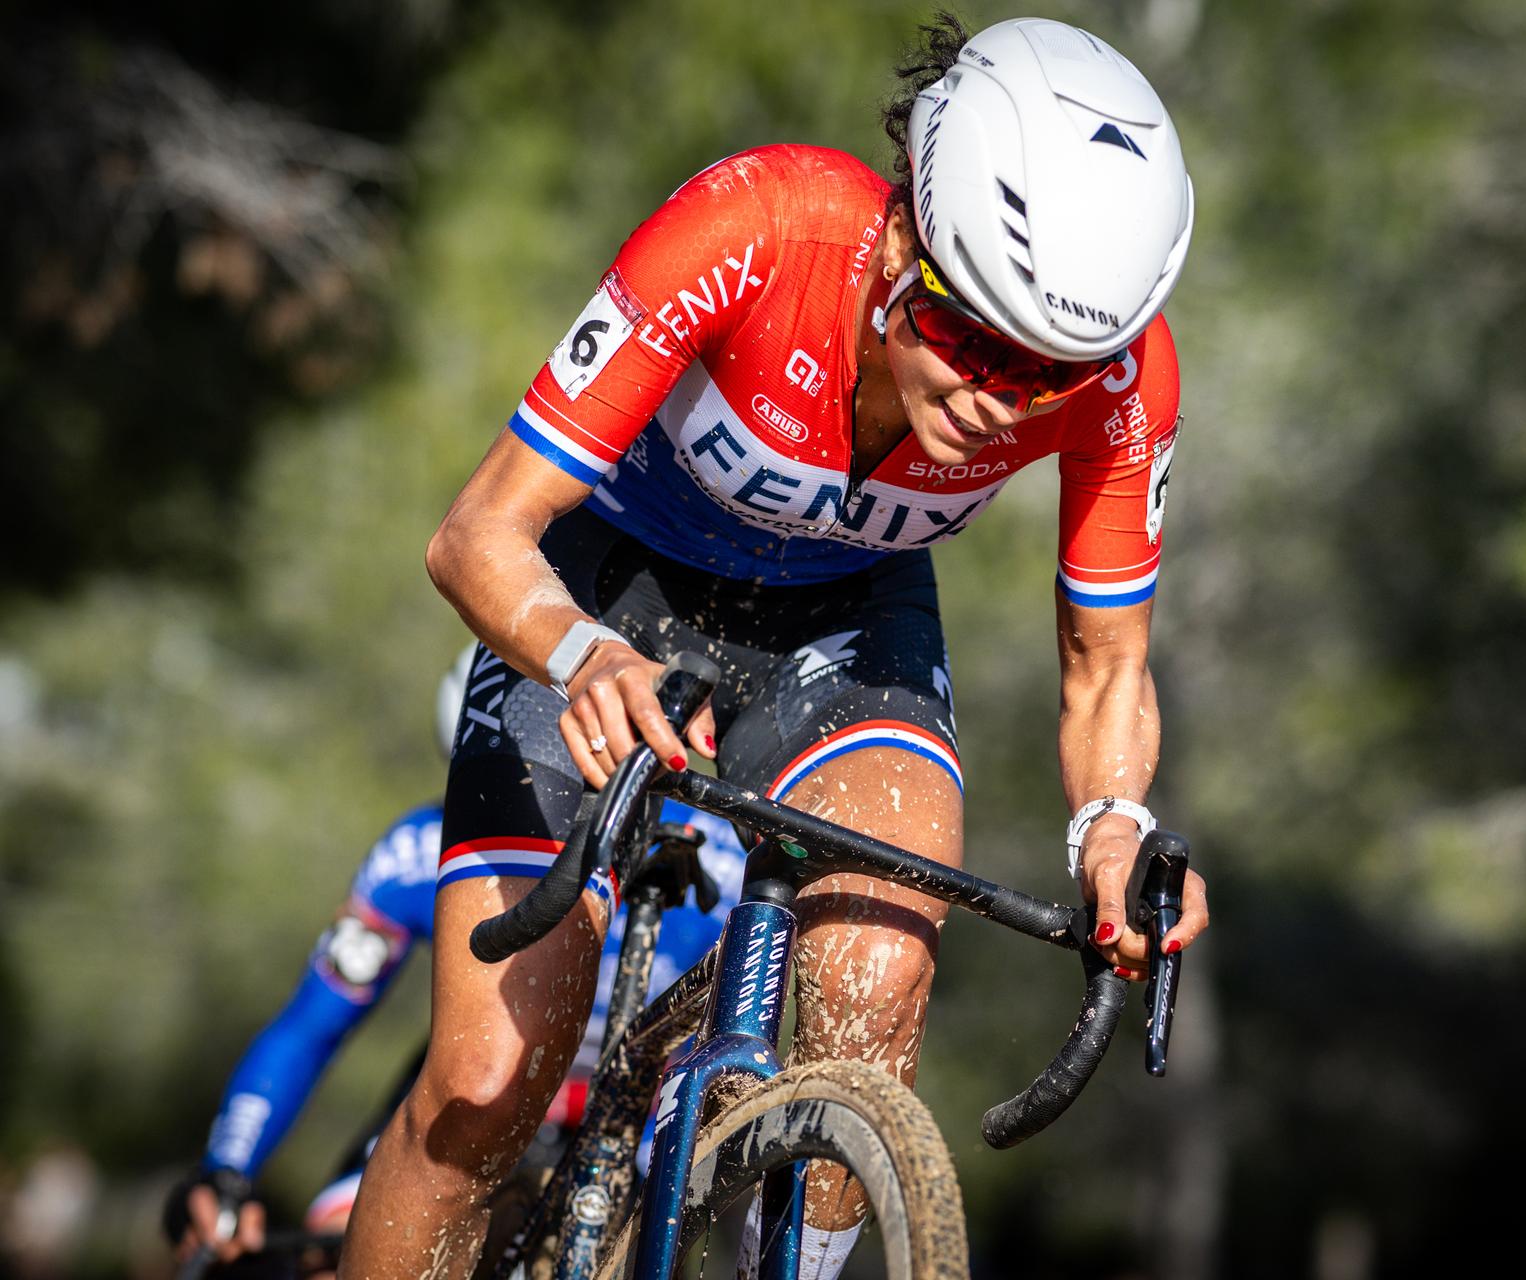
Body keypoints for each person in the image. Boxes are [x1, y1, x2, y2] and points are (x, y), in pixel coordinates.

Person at [340, 14, 1212, 1278]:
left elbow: (1109, 666)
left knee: (877, 981)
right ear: (903, 236)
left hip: (843, 624)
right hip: (605, 588)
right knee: (485, 1082)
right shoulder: (755, 226)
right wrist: (582, 656)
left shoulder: (1123, 379)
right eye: (970, 339)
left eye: (1043, 376)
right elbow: (475, 533)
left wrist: (1113, 828)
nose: (995, 402)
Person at [165, 648, 745, 1266]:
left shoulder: (714, 856)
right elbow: (311, 1027)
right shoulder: (419, 846)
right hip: (476, 1096)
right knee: (334, 1254)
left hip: (634, 1122)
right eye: (481, 797)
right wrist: (227, 1168)